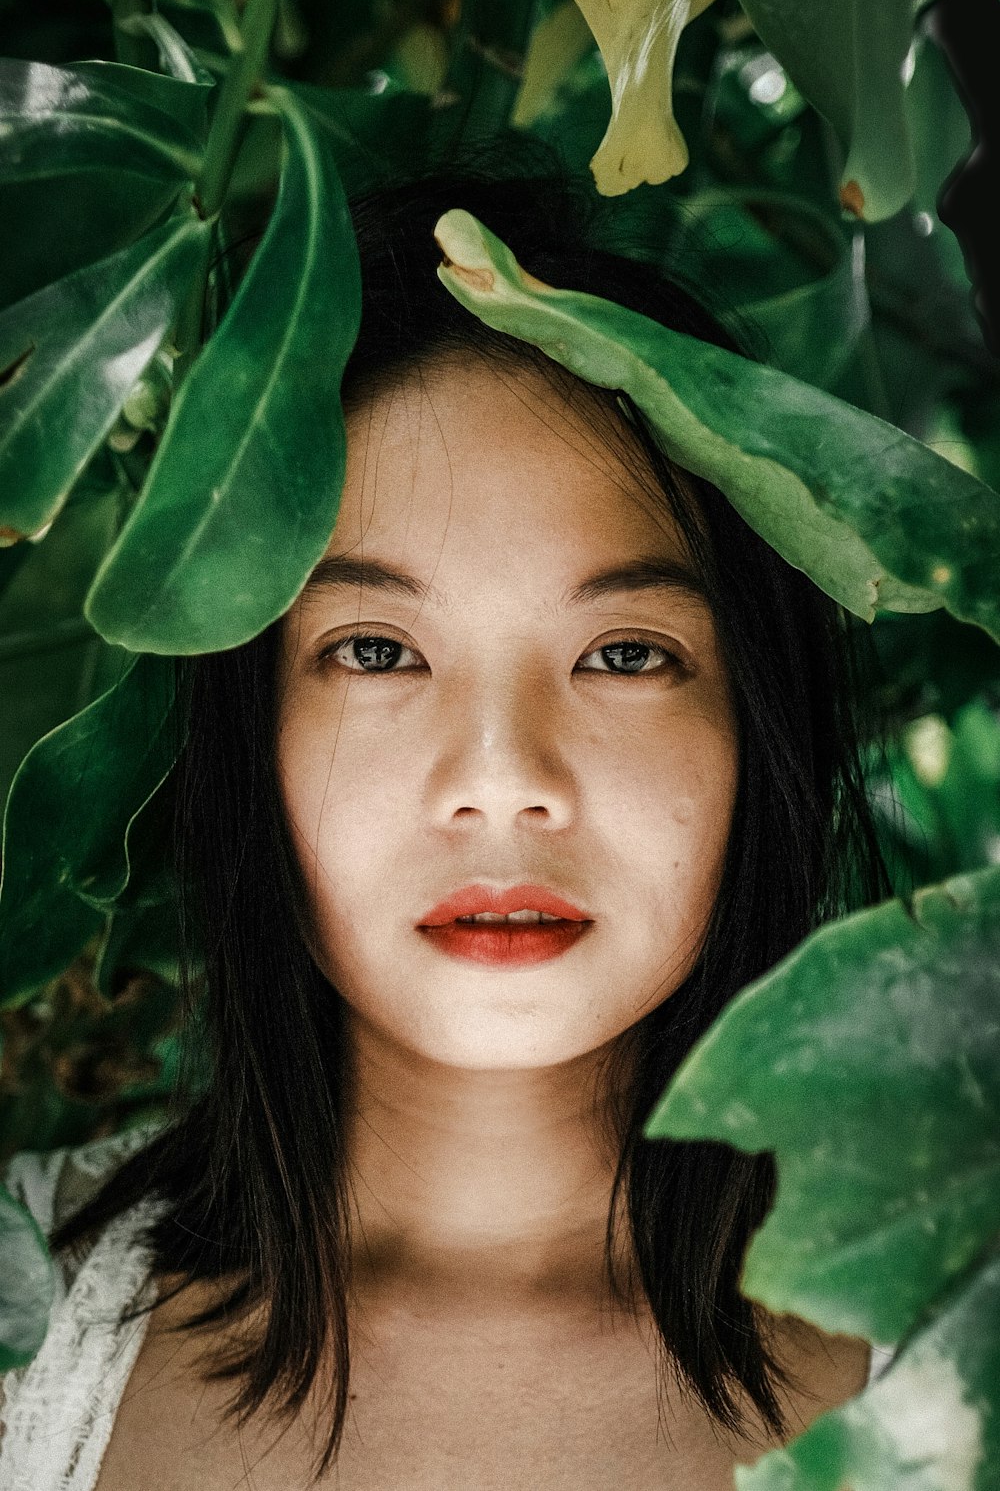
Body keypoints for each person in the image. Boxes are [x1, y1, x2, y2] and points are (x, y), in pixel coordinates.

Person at [0, 161, 890, 1490]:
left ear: (760, 729)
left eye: (626, 655)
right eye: (377, 651)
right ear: (253, 733)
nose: (503, 777)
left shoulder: (951, 1332)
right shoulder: (23, 1310)